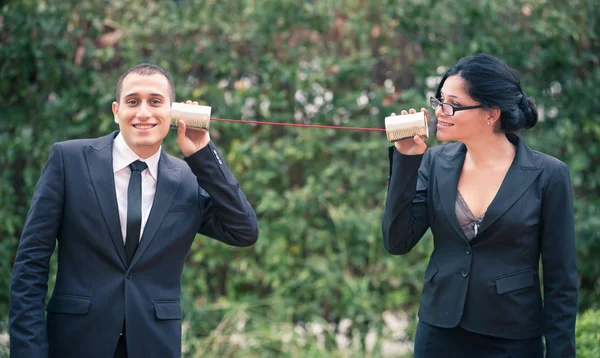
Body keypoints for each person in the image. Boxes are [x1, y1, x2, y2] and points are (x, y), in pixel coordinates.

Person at [9, 63, 259, 358]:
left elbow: (243, 231)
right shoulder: (69, 161)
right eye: (132, 101)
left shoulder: (190, 177)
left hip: (154, 347)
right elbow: (30, 266)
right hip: (74, 344)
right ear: (116, 111)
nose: (143, 112)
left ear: (172, 113)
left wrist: (202, 153)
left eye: (155, 101)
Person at [382, 53, 577, 358]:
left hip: (512, 336)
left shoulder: (548, 175)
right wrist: (407, 159)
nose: (440, 112)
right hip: (439, 333)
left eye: (453, 104)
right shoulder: (434, 162)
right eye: (439, 101)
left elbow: (561, 281)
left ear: (490, 113)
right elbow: (397, 241)